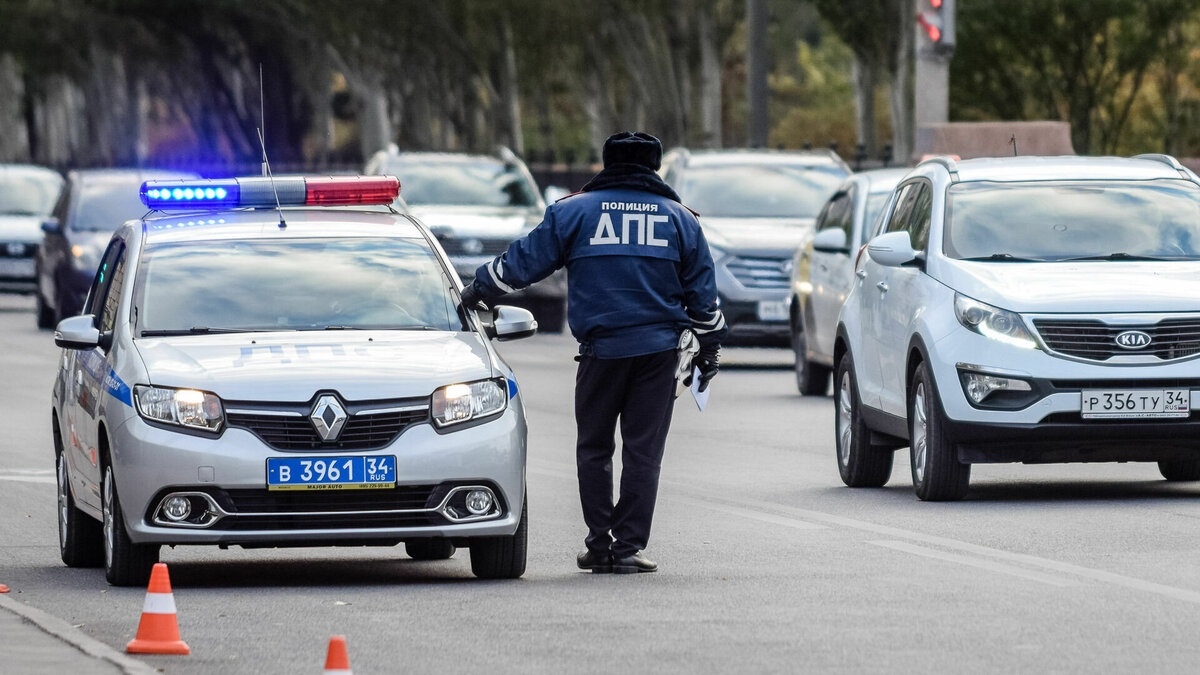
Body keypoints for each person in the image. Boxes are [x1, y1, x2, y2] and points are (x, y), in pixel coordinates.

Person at [459, 131, 728, 574]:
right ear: (655, 166)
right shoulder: (682, 220)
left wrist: (476, 291)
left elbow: (521, 263)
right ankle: (628, 548)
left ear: (607, 162)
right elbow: (704, 301)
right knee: (643, 453)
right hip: (657, 355)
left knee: (594, 449)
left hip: (600, 353)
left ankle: (598, 544)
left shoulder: (574, 212)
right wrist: (710, 350)